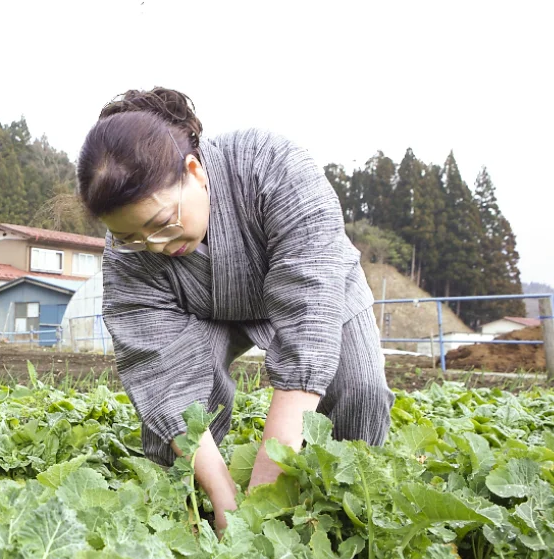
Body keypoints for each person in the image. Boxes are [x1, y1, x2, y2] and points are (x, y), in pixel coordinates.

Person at [76, 87, 394, 530]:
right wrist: (227, 504)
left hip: (316, 288)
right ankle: (186, 513)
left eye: (161, 224)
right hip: (202, 309)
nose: (154, 246)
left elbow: (308, 321)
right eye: (131, 236)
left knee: (360, 389)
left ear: (194, 171)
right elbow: (163, 377)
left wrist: (265, 489)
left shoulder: (272, 165)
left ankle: (343, 511)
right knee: (171, 425)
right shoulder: (129, 255)